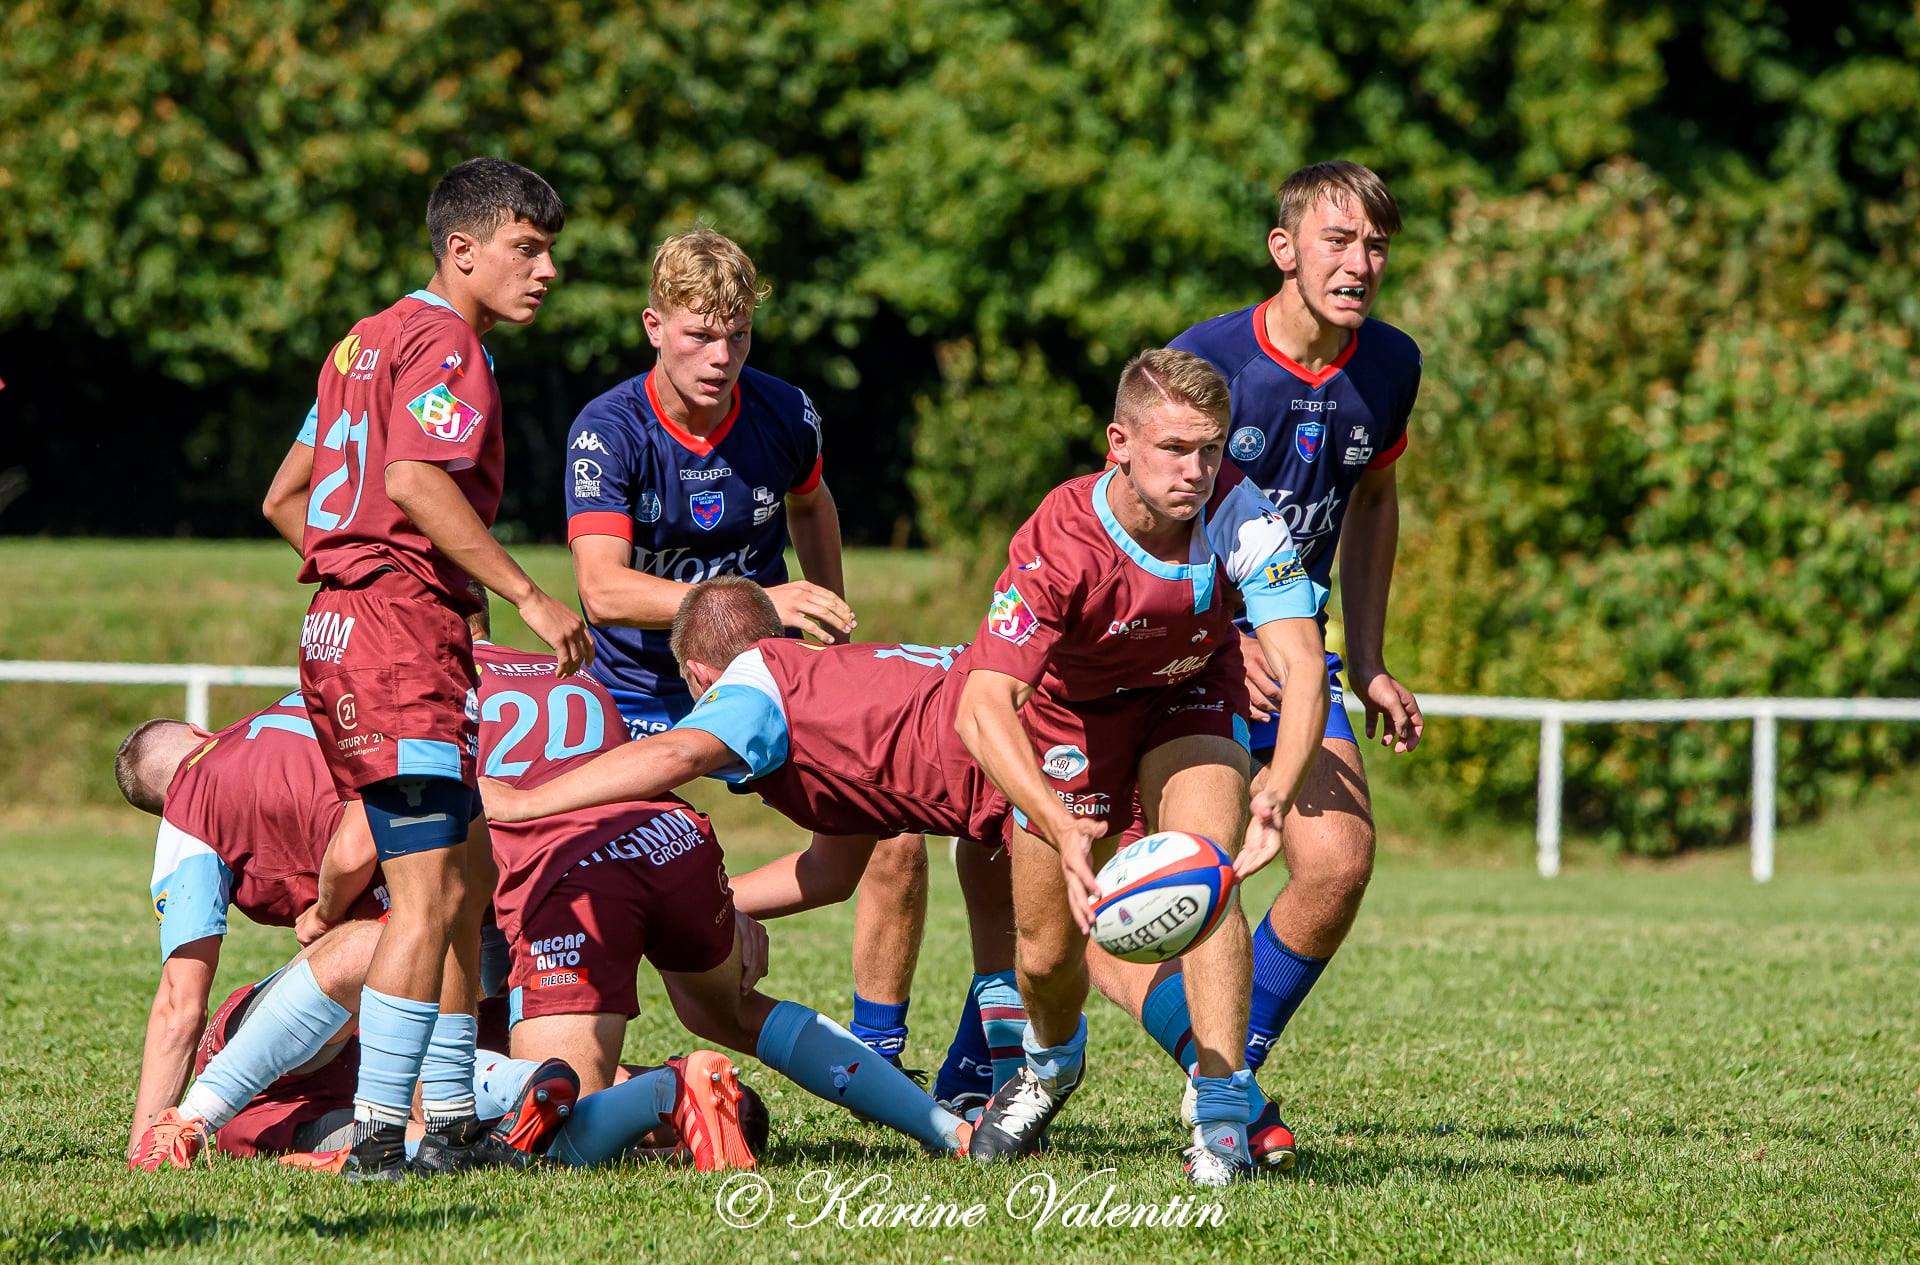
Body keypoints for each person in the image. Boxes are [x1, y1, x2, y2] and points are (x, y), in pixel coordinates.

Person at [267, 156, 590, 1179]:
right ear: (462, 251)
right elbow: (411, 477)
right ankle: (378, 1130)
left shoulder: (362, 340)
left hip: (350, 632)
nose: (546, 271)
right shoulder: (448, 340)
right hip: (399, 641)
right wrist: (528, 594)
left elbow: (290, 495)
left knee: (463, 876)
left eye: (550, 252)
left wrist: (350, 567)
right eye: (526, 249)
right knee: (421, 895)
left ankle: (451, 1114)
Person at [949, 348, 1331, 1186]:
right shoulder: (1062, 533)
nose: (1195, 470)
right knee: (1048, 956)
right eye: (1173, 449)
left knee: (1206, 867)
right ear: (1118, 442)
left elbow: (1302, 664)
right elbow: (981, 705)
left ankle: (1223, 1110)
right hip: (1070, 722)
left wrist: (1278, 790)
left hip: (1187, 695)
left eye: (1210, 449)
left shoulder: (1241, 510)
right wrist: (1056, 822)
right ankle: (1050, 1062)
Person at [560, 228, 930, 1076]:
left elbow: (812, 505)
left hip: (769, 681)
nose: (720, 355)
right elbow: (604, 591)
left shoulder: (784, 411)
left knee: (891, 837)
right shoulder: (608, 431)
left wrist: (830, 619)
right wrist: (762, 600)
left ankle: (878, 1052)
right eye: (698, 334)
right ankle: (532, 1045)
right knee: (566, 872)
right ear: (654, 326)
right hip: (633, 689)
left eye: (737, 334)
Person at [479, 578, 1030, 1108]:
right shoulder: (834, 682)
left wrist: (524, 802)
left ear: (698, 675)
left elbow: (678, 754)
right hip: (1030, 747)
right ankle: (993, 1108)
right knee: (999, 895)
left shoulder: (750, 689)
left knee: (1088, 956)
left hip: (1042, 773)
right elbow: (828, 875)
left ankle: (1024, 1091)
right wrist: (700, 907)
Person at [1136, 162, 1424, 1155]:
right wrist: (1224, 632)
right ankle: (989, 1074)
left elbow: (1374, 501)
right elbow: (1139, 514)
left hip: (1300, 657)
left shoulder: (1389, 367)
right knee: (1125, 886)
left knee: (1338, 862)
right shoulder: (1210, 359)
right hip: (1178, 657)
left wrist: (1372, 654)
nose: (1359, 264)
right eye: (1337, 242)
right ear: (1286, 249)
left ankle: (1229, 1067)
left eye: (1376, 245)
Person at [113, 694, 384, 1169]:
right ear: (200, 731)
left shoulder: (191, 802)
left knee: (243, 1097)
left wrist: (143, 1146)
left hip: (401, 946)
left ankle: (176, 1136)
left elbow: (182, 1002)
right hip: (512, 895)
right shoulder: (298, 701)